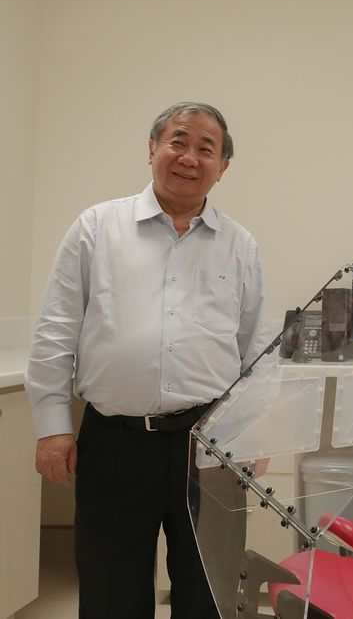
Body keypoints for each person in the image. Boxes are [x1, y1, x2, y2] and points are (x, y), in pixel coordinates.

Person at [26, 102, 272, 618]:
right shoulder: (97, 228)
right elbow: (55, 331)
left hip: (209, 447)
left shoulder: (240, 245)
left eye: (206, 148)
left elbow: (257, 350)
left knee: (211, 589)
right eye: (177, 141)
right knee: (111, 591)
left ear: (223, 167)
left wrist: (255, 433)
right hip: (115, 444)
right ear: (152, 150)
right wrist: (52, 427)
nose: (189, 157)